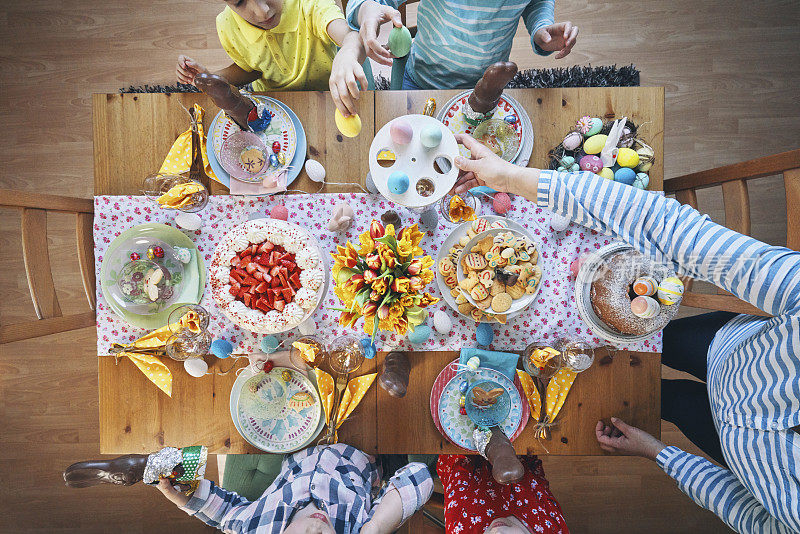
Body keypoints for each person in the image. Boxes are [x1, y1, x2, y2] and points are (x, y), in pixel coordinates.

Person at [450, 134, 800, 533]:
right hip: (728, 350)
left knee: (654, 398)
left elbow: (746, 512)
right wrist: (512, 178)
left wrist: (658, 452)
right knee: (661, 360)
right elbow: (666, 226)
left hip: (725, 440)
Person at [156, 443, 432, 533]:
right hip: (365, 448)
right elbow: (419, 477)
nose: (317, 528)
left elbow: (226, 513)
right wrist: (373, 529)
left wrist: (182, 499)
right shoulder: (357, 530)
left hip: (299, 442)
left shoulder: (253, 528)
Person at [176, 0, 367, 117]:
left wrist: (349, 48)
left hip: (330, 97)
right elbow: (251, 69)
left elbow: (350, 35)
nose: (262, 11)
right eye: (240, 2)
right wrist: (212, 78)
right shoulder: (227, 25)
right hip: (272, 104)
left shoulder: (310, 3)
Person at [346, 0, 578, 90]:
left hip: (487, 85)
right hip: (421, 79)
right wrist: (367, 8)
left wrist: (541, 27)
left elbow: (536, 3)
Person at [438, 454, 569, 533]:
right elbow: (537, 476)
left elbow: (456, 465)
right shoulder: (553, 528)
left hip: (465, 449)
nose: (497, 532)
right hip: (520, 449)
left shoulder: (462, 528)